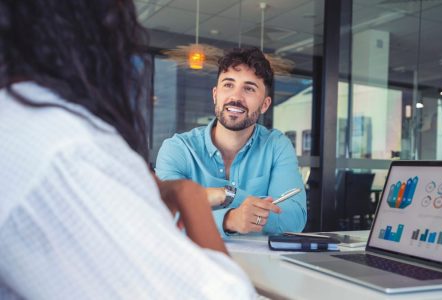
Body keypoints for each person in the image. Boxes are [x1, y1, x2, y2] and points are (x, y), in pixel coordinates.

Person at [0, 1, 255, 299]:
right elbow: (222, 294)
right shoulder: (65, 148)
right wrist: (192, 197)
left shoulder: (19, 121)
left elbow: (289, 216)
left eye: (250, 88)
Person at [156, 48, 307, 236]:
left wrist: (227, 196)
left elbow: (293, 220)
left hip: (260, 265)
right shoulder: (178, 149)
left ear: (265, 105)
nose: (236, 97)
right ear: (215, 95)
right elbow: (160, 216)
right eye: (228, 85)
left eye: (249, 88)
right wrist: (228, 219)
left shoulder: (277, 146)